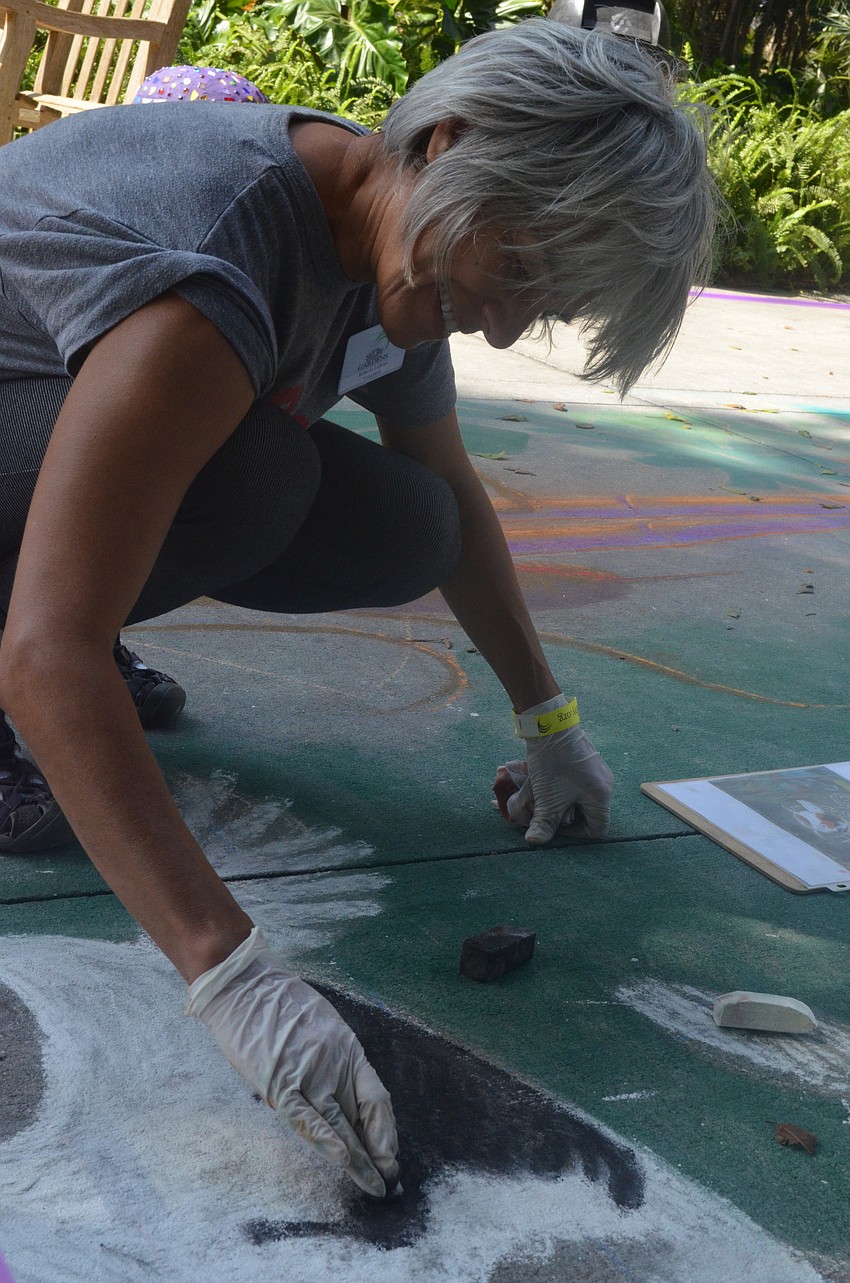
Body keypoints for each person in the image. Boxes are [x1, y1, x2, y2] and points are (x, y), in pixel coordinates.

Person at [0, 20, 715, 1197]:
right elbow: (47, 651)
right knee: (250, 474)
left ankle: (84, 589)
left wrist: (549, 720)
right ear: (446, 143)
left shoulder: (396, 240)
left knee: (407, 518)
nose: (503, 324)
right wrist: (230, 974)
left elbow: (452, 496)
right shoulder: (227, 251)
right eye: (521, 274)